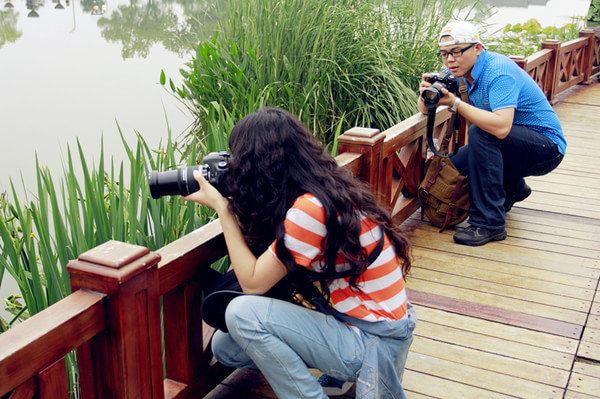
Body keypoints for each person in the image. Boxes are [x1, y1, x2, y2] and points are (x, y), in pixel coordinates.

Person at [183, 107, 415, 398]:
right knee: (226, 348)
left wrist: (224, 210)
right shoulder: (325, 187)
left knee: (242, 314)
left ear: (261, 163)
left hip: (372, 342)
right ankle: (331, 372)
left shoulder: (310, 209)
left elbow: (253, 283)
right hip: (377, 323)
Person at [418, 20, 566, 246]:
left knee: (482, 133)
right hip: (513, 145)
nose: (450, 60)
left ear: (477, 48)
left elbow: (501, 127)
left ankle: (488, 223)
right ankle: (514, 187)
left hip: (546, 148)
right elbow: (424, 110)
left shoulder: (498, 71)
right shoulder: (458, 71)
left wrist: (456, 103)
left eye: (457, 52)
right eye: (444, 54)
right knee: (453, 165)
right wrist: (426, 92)